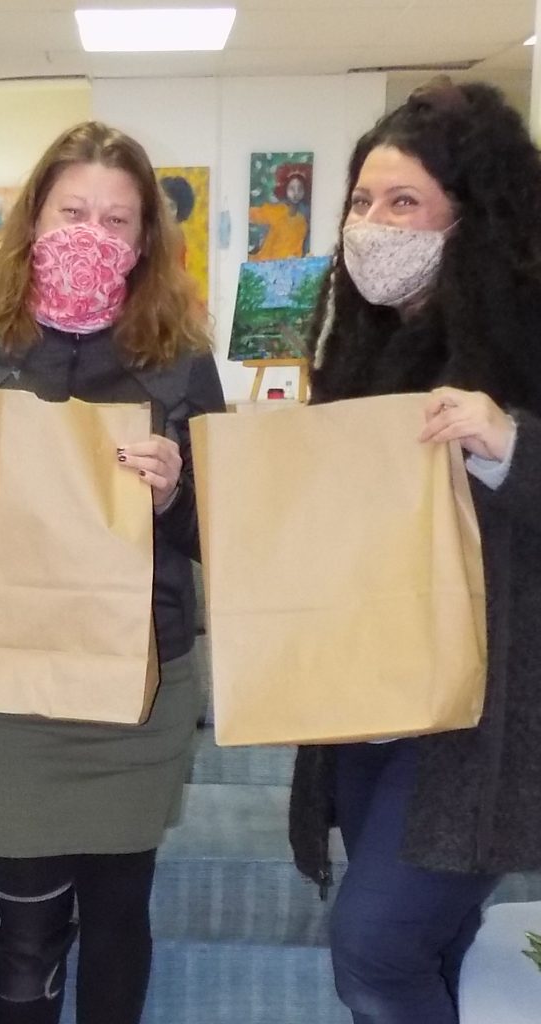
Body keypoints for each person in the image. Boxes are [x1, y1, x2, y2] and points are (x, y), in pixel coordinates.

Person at [0, 120, 225, 1024]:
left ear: (145, 241)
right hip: (7, 687)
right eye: (74, 212)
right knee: (26, 934)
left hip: (140, 689)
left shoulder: (180, 358)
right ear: (34, 217)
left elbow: (221, 536)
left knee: (118, 917)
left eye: (117, 220)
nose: (93, 234)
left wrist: (173, 495)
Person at [290, 78, 541, 1024]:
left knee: (376, 948)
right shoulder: (362, 349)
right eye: (362, 201)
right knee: (431, 944)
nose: (373, 225)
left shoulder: (526, 334)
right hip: (375, 700)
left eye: (403, 202)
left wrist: (507, 440)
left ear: (469, 217)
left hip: (484, 716)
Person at [249, 161, 311, 260]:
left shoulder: (302, 222)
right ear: (285, 189)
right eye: (292, 188)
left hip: (286, 266)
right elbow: (253, 214)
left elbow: (297, 252)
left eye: (300, 189)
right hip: (264, 261)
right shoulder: (277, 211)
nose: (296, 193)